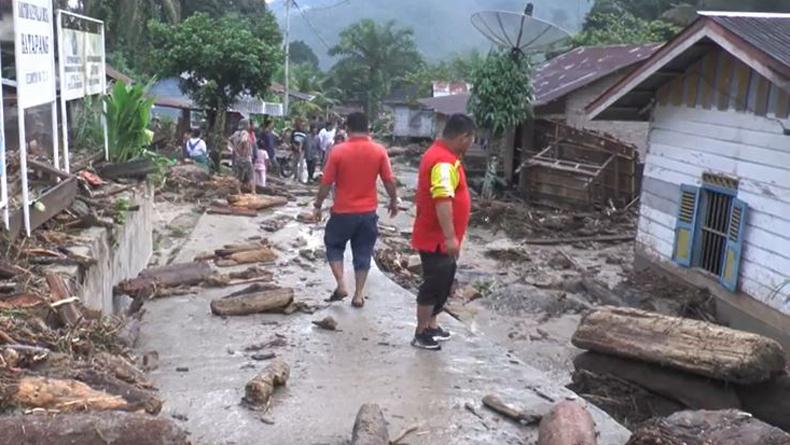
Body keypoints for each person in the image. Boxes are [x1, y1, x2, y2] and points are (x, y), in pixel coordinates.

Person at [313, 112, 399, 308]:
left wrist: (317, 205)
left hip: (343, 212)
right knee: (363, 252)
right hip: (368, 213)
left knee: (334, 245)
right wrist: (393, 201)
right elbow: (389, 180)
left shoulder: (338, 151)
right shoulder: (379, 151)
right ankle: (359, 294)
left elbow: (326, 182)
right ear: (368, 128)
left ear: (347, 129)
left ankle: (342, 284)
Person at [410, 114, 476, 350]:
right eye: (471, 140)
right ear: (463, 137)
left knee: (444, 281)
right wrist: (450, 237)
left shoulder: (444, 156)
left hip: (440, 237)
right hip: (436, 238)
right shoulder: (443, 162)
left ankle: (431, 325)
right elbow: (442, 199)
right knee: (434, 284)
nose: (471, 145)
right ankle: (421, 332)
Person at [230, 119, 255, 194]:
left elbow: (229, 140)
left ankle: (239, 192)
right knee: (251, 175)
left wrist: (235, 149)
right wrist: (243, 149)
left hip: (238, 158)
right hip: (246, 157)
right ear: (246, 125)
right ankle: (253, 191)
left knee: (238, 176)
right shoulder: (245, 133)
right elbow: (244, 140)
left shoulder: (235, 133)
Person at [291, 118, 308, 183]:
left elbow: (306, 142)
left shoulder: (305, 132)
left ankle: (300, 177)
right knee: (294, 164)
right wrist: (295, 147)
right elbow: (291, 140)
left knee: (301, 164)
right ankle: (295, 176)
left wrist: (302, 148)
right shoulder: (294, 132)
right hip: (294, 150)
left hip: (302, 150)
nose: (301, 125)